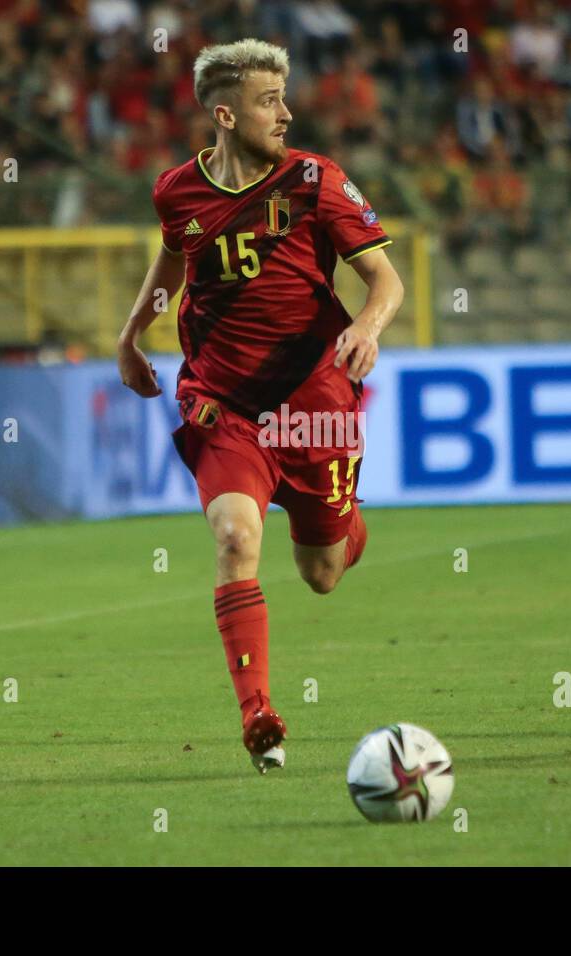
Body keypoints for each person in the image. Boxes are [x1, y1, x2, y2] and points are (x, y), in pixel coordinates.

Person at [116, 39, 404, 775]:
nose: (286, 113)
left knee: (322, 571)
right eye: (269, 100)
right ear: (225, 113)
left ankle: (345, 523)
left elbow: (384, 282)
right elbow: (174, 261)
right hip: (223, 399)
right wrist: (128, 337)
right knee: (237, 539)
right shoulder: (176, 192)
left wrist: (367, 329)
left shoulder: (316, 181)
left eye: (284, 97)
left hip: (314, 401)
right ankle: (259, 718)